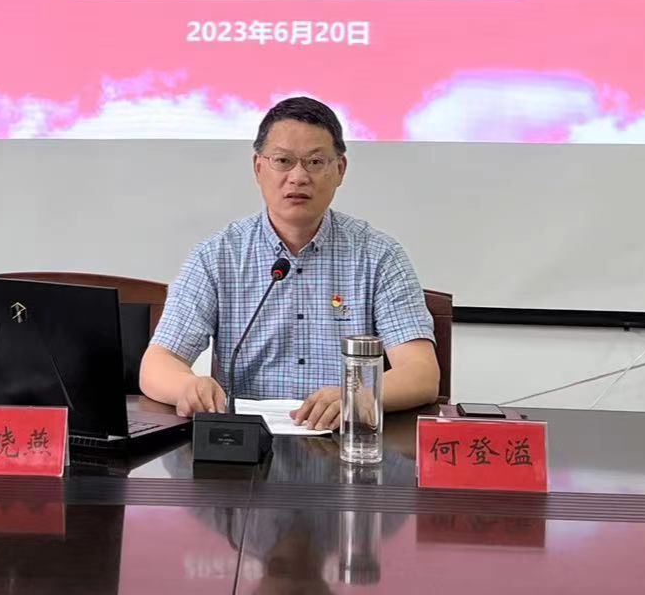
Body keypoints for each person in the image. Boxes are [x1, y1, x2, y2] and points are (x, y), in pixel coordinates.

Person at [140, 95, 440, 429]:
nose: (298, 177)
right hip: (245, 445)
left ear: (339, 170)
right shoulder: (217, 256)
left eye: (315, 162)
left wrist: (356, 396)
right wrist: (189, 386)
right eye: (283, 161)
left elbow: (421, 373)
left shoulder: (379, 256)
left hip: (343, 439)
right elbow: (158, 363)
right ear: (259, 168)